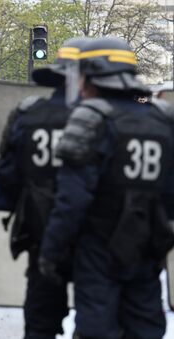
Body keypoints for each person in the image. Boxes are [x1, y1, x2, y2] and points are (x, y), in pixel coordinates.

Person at [39, 37, 174, 339]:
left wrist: (52, 250)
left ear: (91, 75)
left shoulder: (91, 119)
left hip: (98, 250)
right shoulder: (163, 120)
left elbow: (72, 200)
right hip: (146, 248)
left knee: (97, 329)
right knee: (145, 327)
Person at [0, 38, 88, 339]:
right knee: (97, 317)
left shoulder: (29, 117)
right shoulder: (102, 120)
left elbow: (6, 175)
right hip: (94, 238)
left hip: (40, 233)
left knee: (41, 321)